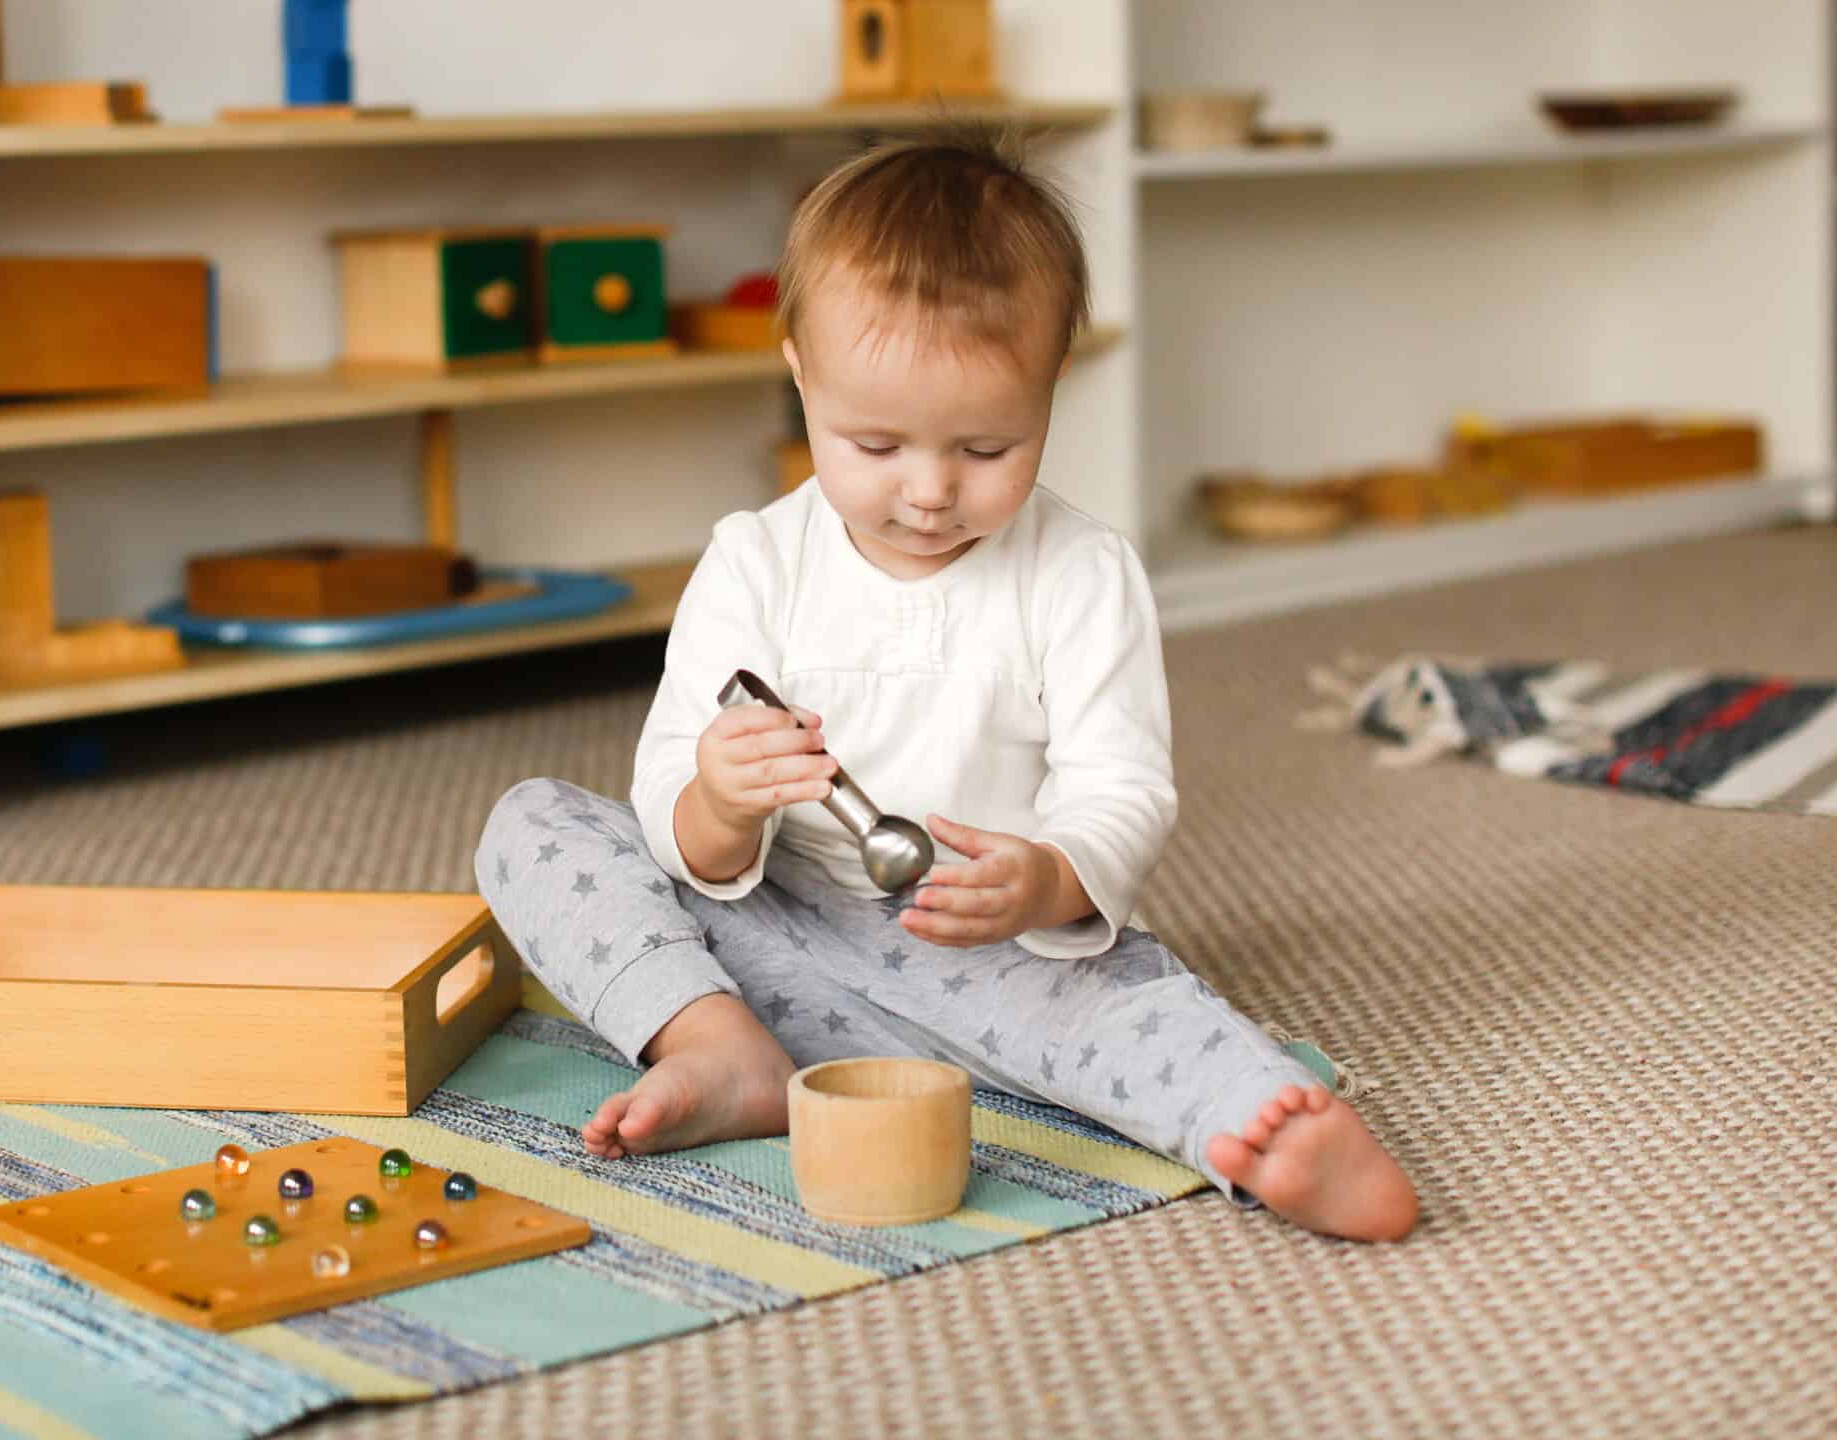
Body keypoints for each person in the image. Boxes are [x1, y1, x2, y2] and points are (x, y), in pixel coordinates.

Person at [476, 133, 1416, 1241]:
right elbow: (674, 825)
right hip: (761, 932)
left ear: (1049, 388)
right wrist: (720, 802)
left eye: (984, 447)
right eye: (872, 443)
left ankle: (1254, 1123)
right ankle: (715, 1048)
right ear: (798, 374)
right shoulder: (753, 560)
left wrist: (1045, 880)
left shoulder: (1079, 572)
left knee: (1123, 1017)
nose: (926, 493)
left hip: (988, 951)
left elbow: (1122, 787)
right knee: (535, 826)